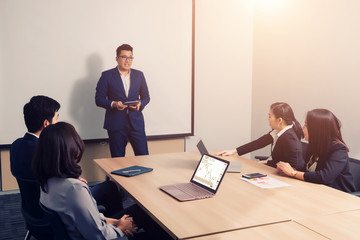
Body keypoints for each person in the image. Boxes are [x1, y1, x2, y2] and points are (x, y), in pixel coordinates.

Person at [32, 122, 171, 240]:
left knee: (138, 213)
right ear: (72, 150)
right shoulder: (75, 190)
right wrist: (121, 229)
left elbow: (89, 220)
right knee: (159, 228)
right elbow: (98, 235)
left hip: (81, 232)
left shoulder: (46, 181)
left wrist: (117, 222)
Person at [11, 96, 124, 221]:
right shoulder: (45, 150)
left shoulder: (16, 145)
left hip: (33, 213)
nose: (58, 121)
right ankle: (115, 226)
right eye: (57, 117)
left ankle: (106, 224)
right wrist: (75, 181)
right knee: (109, 188)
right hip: (57, 211)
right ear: (46, 124)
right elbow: (64, 185)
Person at [277, 109, 356, 193]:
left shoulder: (338, 149)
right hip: (317, 192)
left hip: (340, 198)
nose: (303, 128)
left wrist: (294, 173)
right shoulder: (314, 146)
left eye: (306, 125)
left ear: (318, 129)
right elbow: (308, 172)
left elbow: (324, 177)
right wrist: (288, 170)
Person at [95, 44, 150, 157]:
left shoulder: (139, 75)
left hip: (136, 123)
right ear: (117, 58)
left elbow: (146, 97)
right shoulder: (107, 76)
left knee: (144, 158)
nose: (127, 61)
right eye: (124, 57)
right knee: (117, 161)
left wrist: (140, 104)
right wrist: (113, 104)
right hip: (116, 125)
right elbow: (98, 99)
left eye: (130, 57)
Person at [217, 102, 305, 170]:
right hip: (275, 171)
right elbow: (259, 143)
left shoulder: (289, 138)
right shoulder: (279, 131)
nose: (268, 119)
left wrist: (267, 163)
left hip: (286, 180)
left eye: (270, 116)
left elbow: (293, 168)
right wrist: (234, 151)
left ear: (279, 120)